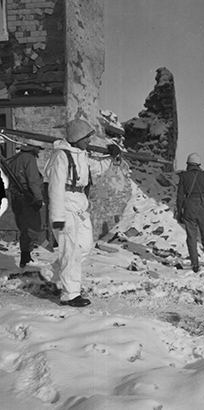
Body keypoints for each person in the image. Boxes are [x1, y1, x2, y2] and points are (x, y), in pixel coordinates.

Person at [44, 118, 121, 307]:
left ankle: (53, 274)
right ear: (76, 137)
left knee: (85, 246)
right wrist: (57, 218)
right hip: (64, 206)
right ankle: (70, 294)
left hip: (80, 205)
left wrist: (112, 156)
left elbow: (98, 167)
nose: (89, 141)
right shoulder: (60, 157)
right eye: (86, 137)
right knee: (69, 250)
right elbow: (54, 189)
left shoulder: (82, 155)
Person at [176, 153, 204, 272]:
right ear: (199, 164)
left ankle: (195, 264)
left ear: (188, 164)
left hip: (189, 207)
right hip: (203, 207)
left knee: (191, 237)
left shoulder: (184, 176)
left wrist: (179, 212)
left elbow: (180, 196)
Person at [7, 143, 45, 268]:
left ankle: (25, 256)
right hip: (27, 197)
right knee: (33, 227)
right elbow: (33, 180)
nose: (38, 151)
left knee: (24, 227)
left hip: (16, 197)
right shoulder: (29, 159)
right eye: (38, 148)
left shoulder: (15, 158)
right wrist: (38, 198)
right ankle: (26, 256)